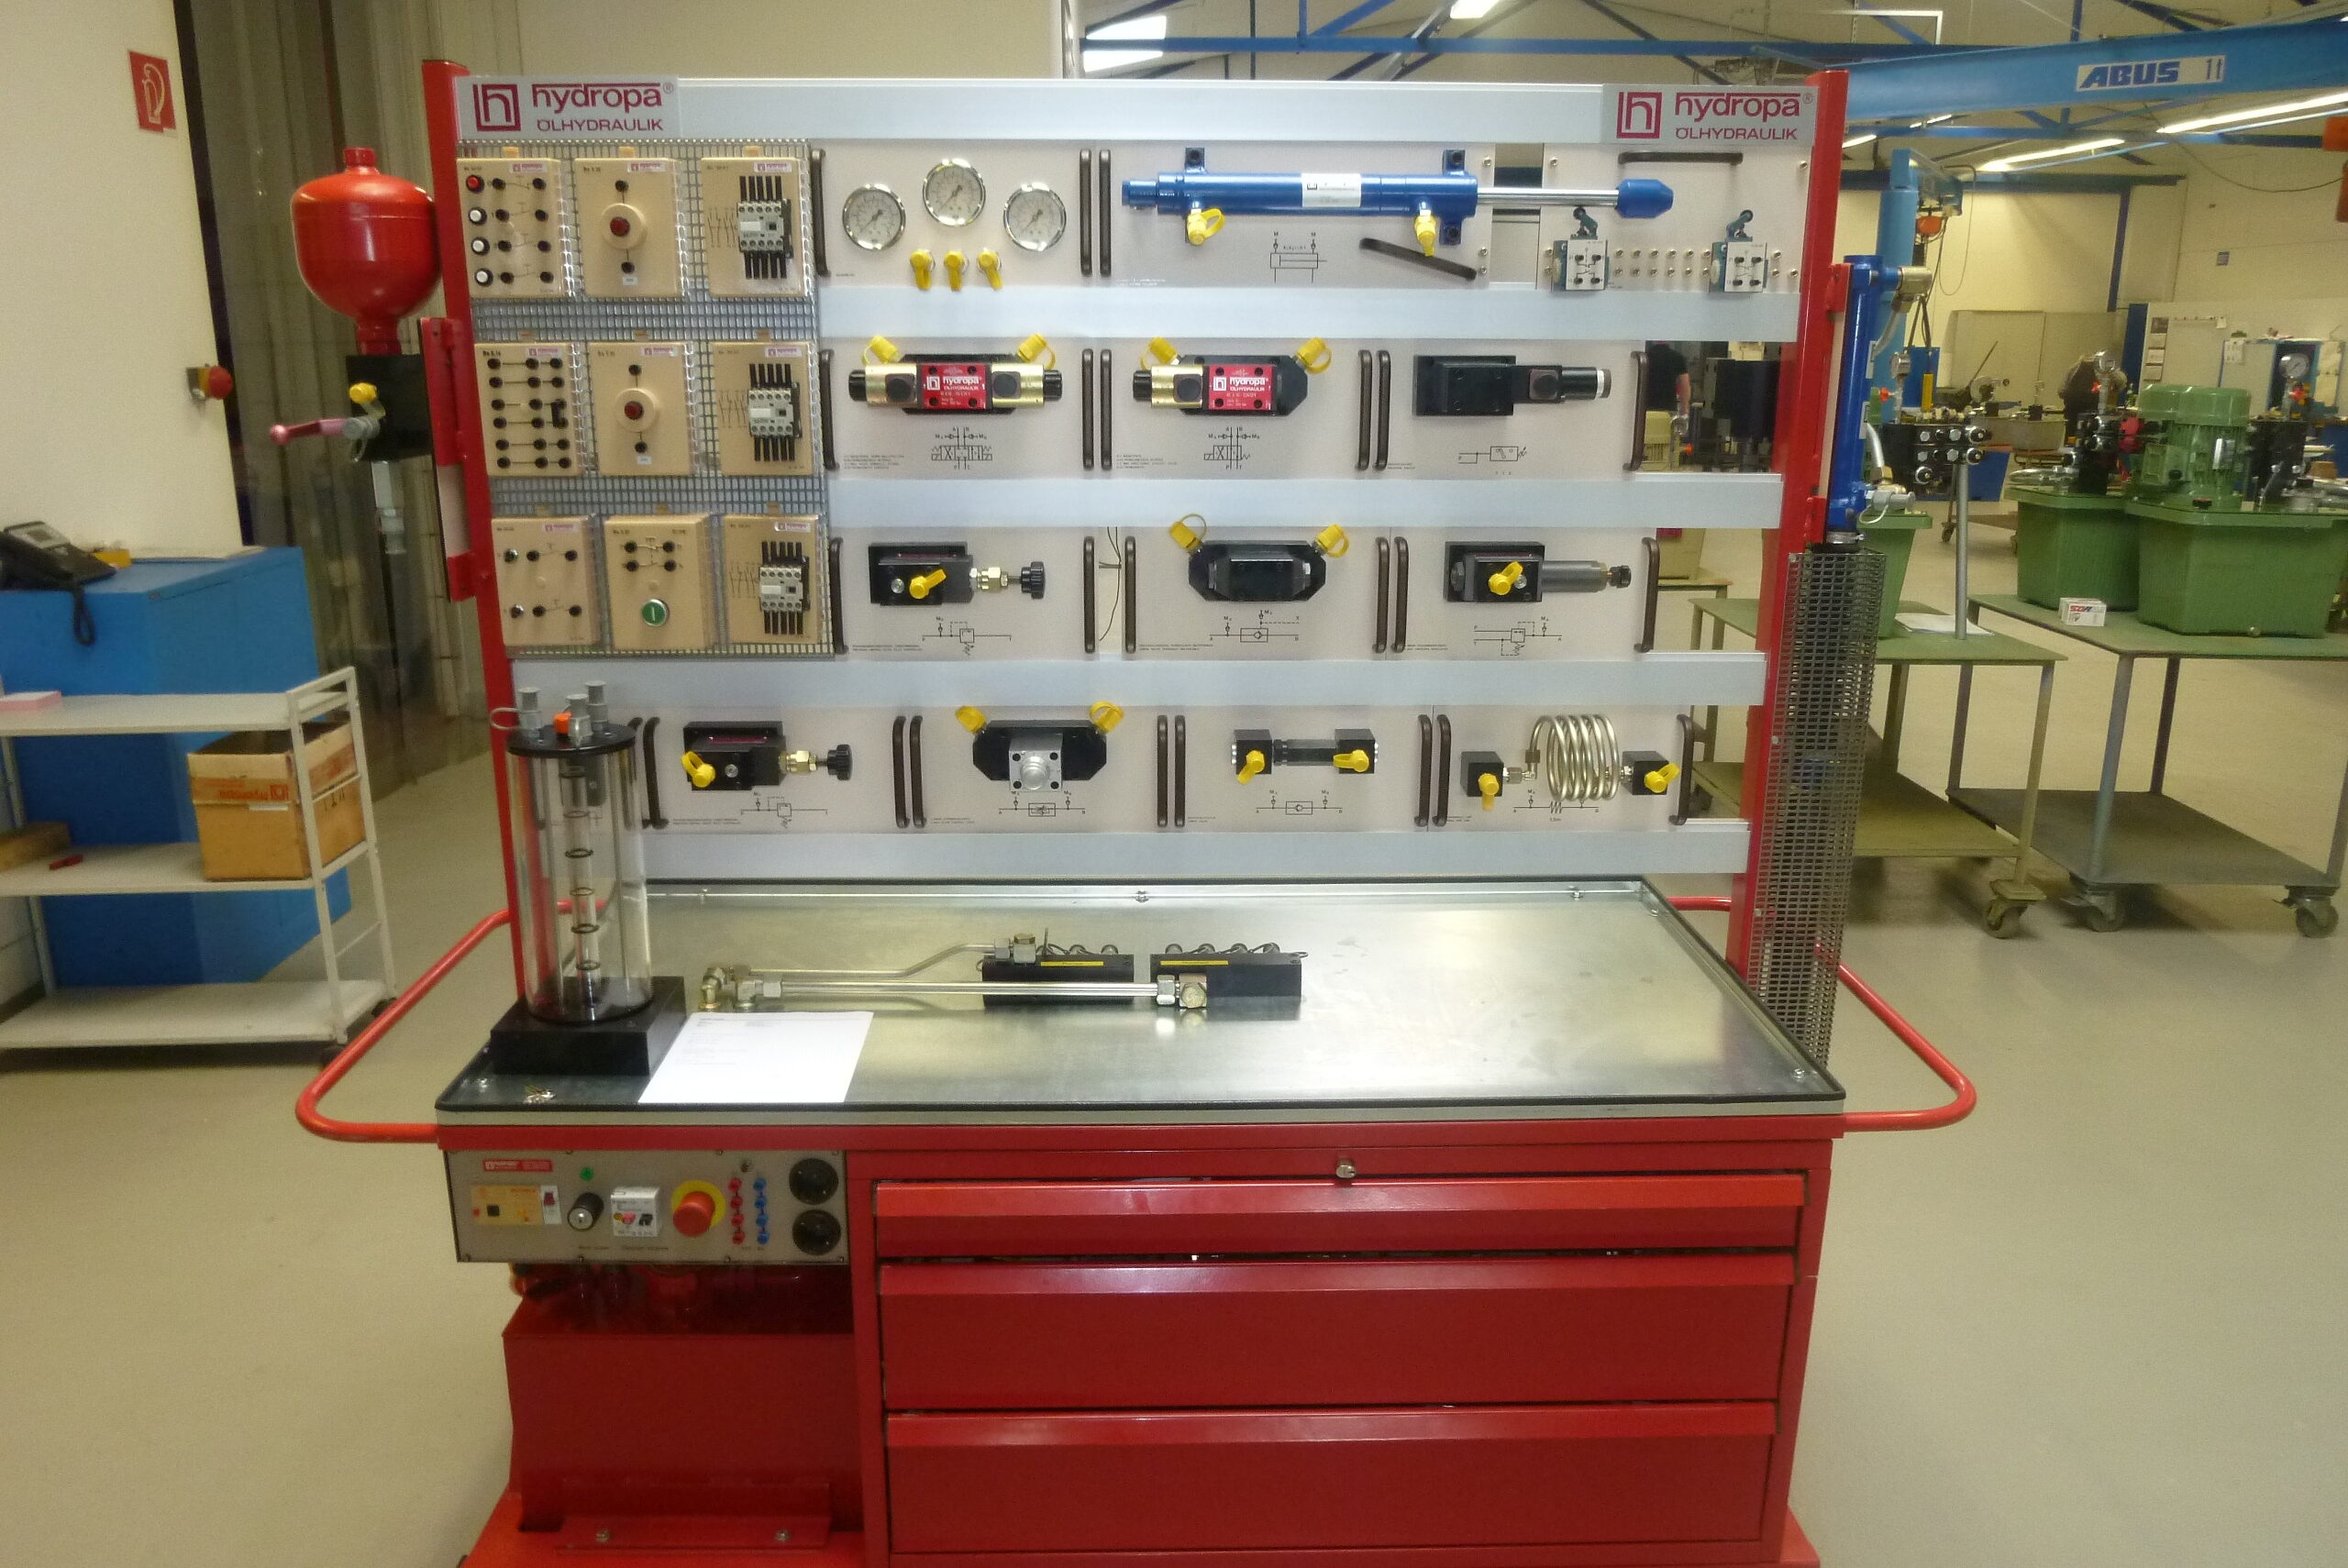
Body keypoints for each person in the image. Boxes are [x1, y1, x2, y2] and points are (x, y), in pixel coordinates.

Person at [1645, 341, 1690, 415]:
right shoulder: (1677, 357)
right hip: (1669, 407)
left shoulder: (1645, 356)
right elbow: (1684, 384)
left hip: (1647, 406)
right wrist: (1684, 408)